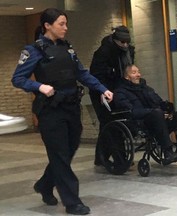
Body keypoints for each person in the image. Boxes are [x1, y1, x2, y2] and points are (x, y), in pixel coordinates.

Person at [11, 8, 113, 215]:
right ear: (47, 26)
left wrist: (102, 88)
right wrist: (39, 87)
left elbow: (82, 74)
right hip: (51, 110)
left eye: (66, 24)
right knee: (59, 154)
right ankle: (72, 202)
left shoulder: (68, 48)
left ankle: (44, 184)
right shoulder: (33, 51)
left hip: (71, 107)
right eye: (61, 24)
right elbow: (18, 79)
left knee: (68, 150)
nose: (65, 28)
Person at [113, 64, 177, 165]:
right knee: (157, 113)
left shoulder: (146, 88)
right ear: (127, 76)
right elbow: (131, 112)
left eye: (138, 72)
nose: (138, 75)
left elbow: (159, 102)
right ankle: (168, 152)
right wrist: (155, 112)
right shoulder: (120, 92)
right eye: (134, 73)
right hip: (142, 124)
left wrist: (168, 110)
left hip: (160, 120)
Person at [89, 25, 135, 165]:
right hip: (102, 91)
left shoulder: (129, 51)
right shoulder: (103, 52)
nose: (125, 45)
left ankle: (101, 157)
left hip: (119, 90)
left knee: (111, 123)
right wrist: (104, 91)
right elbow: (96, 75)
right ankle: (119, 157)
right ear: (115, 40)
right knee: (109, 122)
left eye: (127, 42)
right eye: (122, 42)